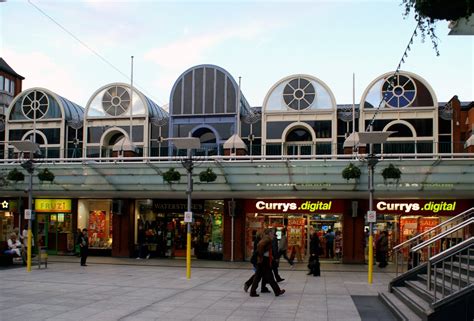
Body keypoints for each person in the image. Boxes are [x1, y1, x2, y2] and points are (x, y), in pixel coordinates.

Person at [249, 228, 285, 297]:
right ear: (269, 233)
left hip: (262, 260)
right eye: (272, 233)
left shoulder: (267, 238)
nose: (273, 234)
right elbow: (260, 246)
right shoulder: (267, 239)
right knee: (269, 277)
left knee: (258, 277)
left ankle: (252, 292)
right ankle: (277, 291)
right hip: (264, 260)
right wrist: (261, 255)